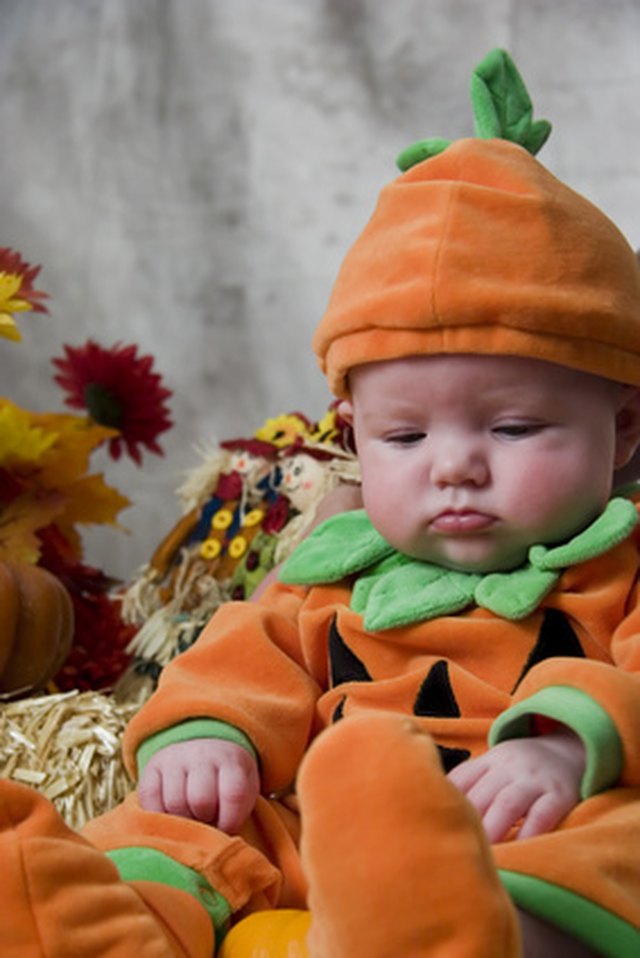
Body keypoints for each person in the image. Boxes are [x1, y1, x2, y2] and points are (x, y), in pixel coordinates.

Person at [3, 50, 640, 958]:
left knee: (621, 839)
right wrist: (206, 737)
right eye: (406, 438)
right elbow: (234, 663)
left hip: (528, 824)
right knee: (190, 828)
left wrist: (573, 748)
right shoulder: (327, 580)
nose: (453, 468)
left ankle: (457, 929)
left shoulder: (620, 569)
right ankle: (97, 925)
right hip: (320, 830)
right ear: (350, 432)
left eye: (511, 429)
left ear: (621, 431)